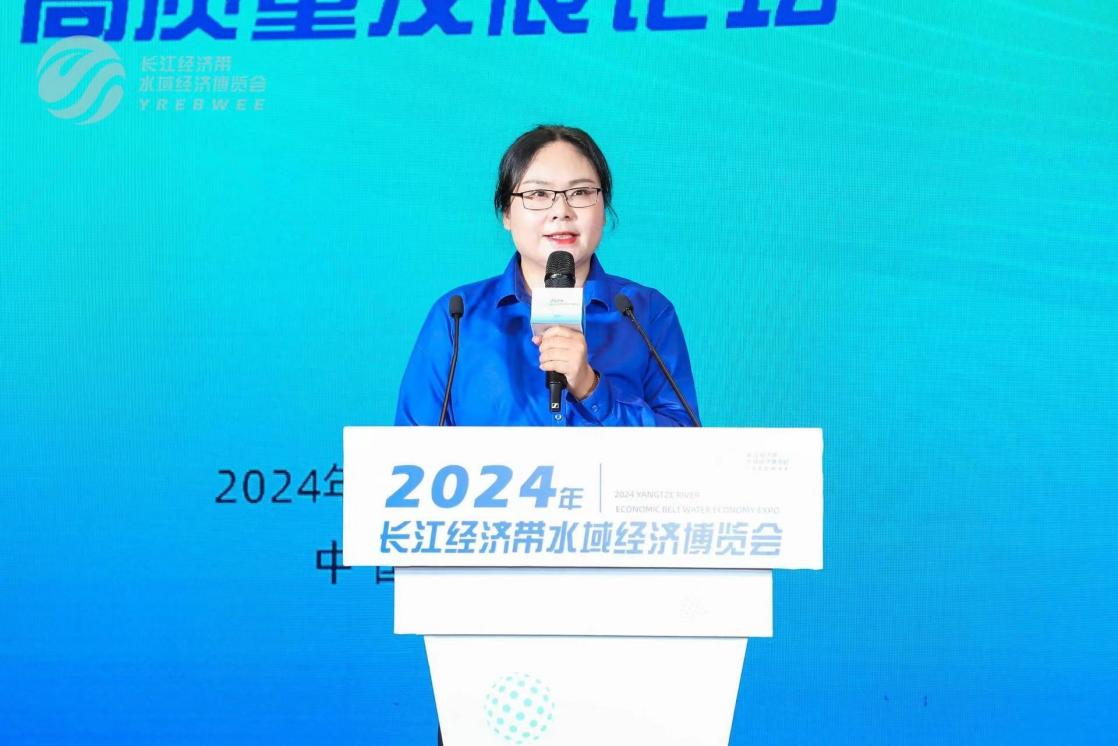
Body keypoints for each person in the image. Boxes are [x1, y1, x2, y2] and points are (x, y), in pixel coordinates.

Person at [395, 125, 700, 427]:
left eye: (580, 192)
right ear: (506, 213)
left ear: (604, 209)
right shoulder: (458, 316)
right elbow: (410, 447)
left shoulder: (644, 313)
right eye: (539, 194)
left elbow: (687, 444)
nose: (561, 211)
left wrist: (592, 388)